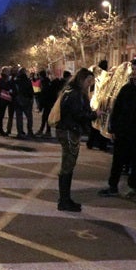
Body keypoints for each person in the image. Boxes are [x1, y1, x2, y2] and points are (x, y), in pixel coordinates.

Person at [99, 59, 136, 198]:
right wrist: (113, 128)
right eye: (133, 69)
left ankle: (132, 187)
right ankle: (113, 186)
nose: (134, 72)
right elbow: (117, 109)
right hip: (123, 131)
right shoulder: (126, 89)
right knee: (118, 160)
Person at [55, 68, 96, 212]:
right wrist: (94, 115)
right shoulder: (75, 94)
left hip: (66, 129)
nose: (90, 84)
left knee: (68, 164)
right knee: (68, 165)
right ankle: (64, 201)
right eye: (88, 81)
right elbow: (78, 114)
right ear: (82, 79)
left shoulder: (69, 91)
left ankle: (65, 199)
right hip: (69, 131)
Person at [13, 68, 35, 139]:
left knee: (19, 118)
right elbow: (31, 91)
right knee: (29, 117)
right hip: (27, 100)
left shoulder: (16, 81)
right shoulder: (28, 81)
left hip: (18, 101)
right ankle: (30, 131)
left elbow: (14, 91)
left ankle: (20, 132)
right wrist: (30, 98)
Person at [0, 68, 13, 136]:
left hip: (5, 98)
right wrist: (9, 86)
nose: (9, 72)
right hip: (2, 99)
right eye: (8, 71)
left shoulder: (4, 78)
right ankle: (0, 130)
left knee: (1, 115)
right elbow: (5, 87)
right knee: (1, 115)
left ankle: (1, 130)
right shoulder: (1, 79)